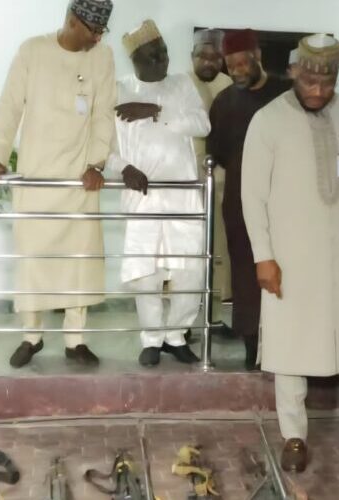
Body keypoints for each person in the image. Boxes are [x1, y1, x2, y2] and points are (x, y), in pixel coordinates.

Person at [242, 34, 339, 475]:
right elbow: (252, 196)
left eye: (327, 83)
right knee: (290, 342)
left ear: (337, 78)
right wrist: (263, 256)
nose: (318, 91)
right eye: (309, 81)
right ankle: (294, 436)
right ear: (294, 71)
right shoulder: (268, 120)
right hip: (289, 256)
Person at [0, 0, 116, 368]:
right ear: (72, 20)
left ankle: (76, 340)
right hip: (36, 177)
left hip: (79, 178)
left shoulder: (102, 57)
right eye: (93, 30)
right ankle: (31, 337)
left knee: (79, 261)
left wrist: (96, 163)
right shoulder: (32, 50)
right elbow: (10, 107)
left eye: (101, 31)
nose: (97, 38)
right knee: (34, 260)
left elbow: (103, 114)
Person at [106, 20, 210, 367]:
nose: (162, 60)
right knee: (145, 274)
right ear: (134, 59)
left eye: (164, 52)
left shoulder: (182, 84)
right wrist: (124, 168)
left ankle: (176, 335)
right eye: (153, 55)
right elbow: (105, 147)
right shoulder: (120, 90)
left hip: (183, 197)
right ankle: (151, 339)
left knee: (188, 271)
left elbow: (202, 125)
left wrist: (156, 110)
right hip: (143, 197)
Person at [207, 29, 292, 370]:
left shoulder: (288, 94)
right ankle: (252, 344)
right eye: (231, 66)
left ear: (258, 56)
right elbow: (218, 153)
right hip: (240, 204)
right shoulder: (224, 102)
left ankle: (286, 342)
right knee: (245, 274)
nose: (237, 71)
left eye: (243, 63)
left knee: (288, 270)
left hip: (287, 202)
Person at [189, 28, 234, 336]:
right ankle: (182, 324)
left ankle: (214, 318)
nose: (208, 62)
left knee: (217, 250)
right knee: (187, 253)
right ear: (192, 57)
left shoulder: (228, 85)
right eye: (202, 56)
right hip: (187, 176)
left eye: (215, 57)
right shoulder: (181, 84)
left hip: (220, 179)